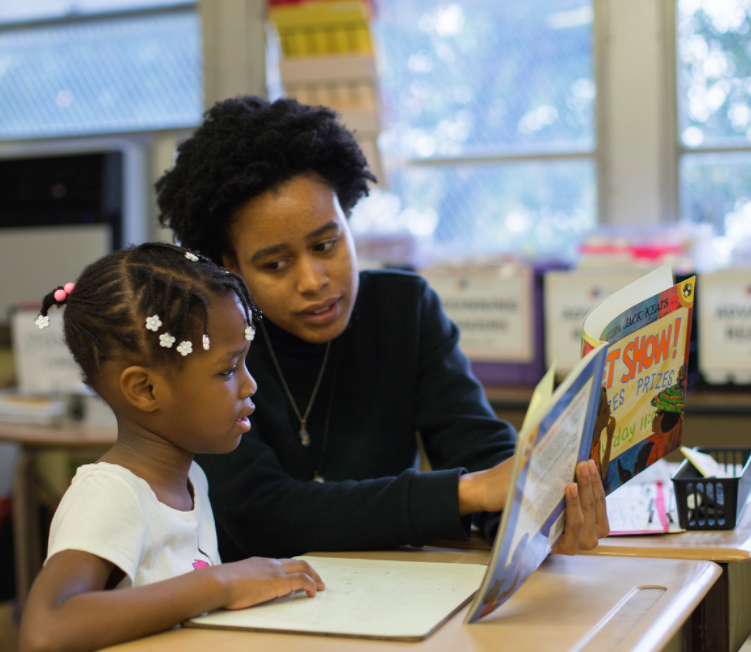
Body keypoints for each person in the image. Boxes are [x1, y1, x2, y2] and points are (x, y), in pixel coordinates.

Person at [155, 96, 609, 561]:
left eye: (327, 244)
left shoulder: (403, 310)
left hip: (386, 592)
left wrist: (531, 516)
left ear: (349, 223)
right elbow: (260, 512)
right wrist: (469, 494)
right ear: (230, 264)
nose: (313, 280)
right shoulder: (210, 347)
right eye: (275, 263)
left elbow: (478, 448)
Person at [18, 243, 325, 652]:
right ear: (144, 389)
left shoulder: (191, 480)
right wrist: (220, 582)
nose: (249, 385)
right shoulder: (110, 494)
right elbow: (43, 635)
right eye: (227, 370)